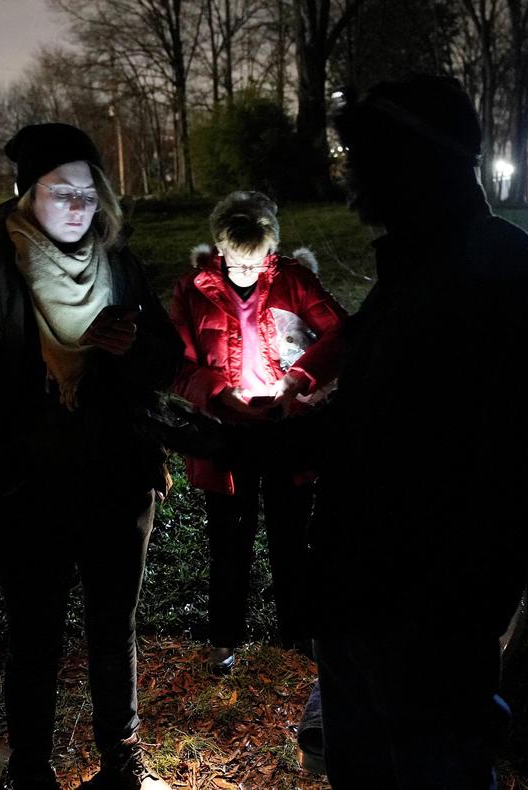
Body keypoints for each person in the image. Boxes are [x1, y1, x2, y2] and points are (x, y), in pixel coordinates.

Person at [218, 75, 528, 788]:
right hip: (357, 599)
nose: (347, 174)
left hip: (424, 623)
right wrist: (267, 440)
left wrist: (464, 604)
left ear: (413, 158)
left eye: (361, 155)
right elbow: (376, 422)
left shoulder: (500, 275)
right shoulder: (413, 271)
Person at [0, 123, 182, 790]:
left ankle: (122, 760)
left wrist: (130, 350)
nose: (78, 206)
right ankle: (31, 771)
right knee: (34, 632)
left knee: (113, 626)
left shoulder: (118, 261)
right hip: (24, 489)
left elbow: (167, 360)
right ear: (26, 194)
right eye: (61, 191)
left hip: (116, 479)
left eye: (89, 192)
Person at [169, 191, 347, 673]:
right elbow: (176, 363)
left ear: (272, 249)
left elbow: (342, 332)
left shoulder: (292, 279)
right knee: (228, 536)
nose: (246, 273)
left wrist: (298, 378)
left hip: (286, 428)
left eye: (258, 261)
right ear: (219, 248)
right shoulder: (192, 290)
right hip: (226, 434)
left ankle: (299, 630)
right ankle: (224, 637)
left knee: (292, 535)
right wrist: (215, 391)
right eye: (237, 263)